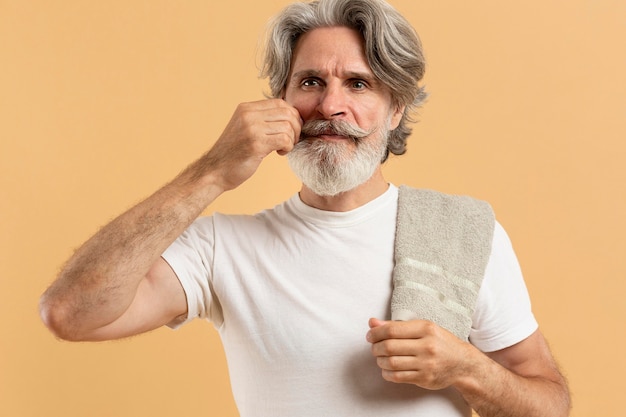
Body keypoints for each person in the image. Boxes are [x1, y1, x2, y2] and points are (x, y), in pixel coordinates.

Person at [39, 0, 571, 415]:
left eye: (358, 84)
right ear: (281, 100)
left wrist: (467, 367)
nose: (330, 106)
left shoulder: (464, 232)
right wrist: (212, 171)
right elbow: (70, 313)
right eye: (310, 82)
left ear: (395, 110)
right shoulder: (222, 248)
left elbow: (550, 404)